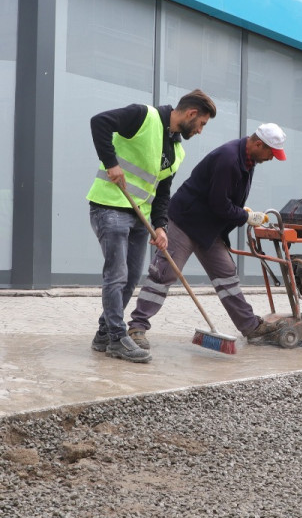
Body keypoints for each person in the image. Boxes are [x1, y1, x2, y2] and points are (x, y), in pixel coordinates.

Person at [127, 123, 288, 349]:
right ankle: (137, 326)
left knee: (226, 274)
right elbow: (218, 204)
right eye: (271, 153)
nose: (271, 158)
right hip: (185, 221)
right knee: (164, 274)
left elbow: (223, 201)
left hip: (209, 228)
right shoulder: (229, 158)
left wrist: (244, 212)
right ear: (258, 144)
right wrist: (244, 216)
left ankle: (251, 327)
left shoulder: (248, 160)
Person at [87, 89, 217, 363]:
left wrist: (160, 227)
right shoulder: (143, 116)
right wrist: (111, 163)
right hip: (110, 205)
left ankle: (103, 333)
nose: (201, 130)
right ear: (191, 113)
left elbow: (162, 193)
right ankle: (115, 339)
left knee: (132, 276)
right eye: (202, 123)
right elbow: (99, 122)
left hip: (139, 217)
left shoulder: (177, 151)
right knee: (117, 274)